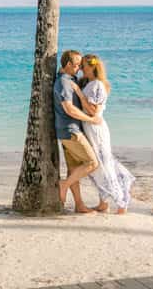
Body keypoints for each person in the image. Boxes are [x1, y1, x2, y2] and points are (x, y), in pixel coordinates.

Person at [74, 54, 135, 213]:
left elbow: (94, 111)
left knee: (103, 163)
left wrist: (80, 96)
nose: (81, 68)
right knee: (99, 164)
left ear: (92, 67)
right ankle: (103, 203)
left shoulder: (97, 85)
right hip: (90, 127)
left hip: (96, 129)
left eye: (84, 66)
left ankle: (121, 203)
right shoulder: (90, 83)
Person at [53, 49, 101, 214]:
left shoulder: (68, 78)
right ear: (67, 65)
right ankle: (64, 185)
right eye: (76, 65)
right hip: (71, 131)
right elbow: (69, 109)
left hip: (66, 131)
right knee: (92, 163)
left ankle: (79, 205)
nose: (79, 68)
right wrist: (91, 120)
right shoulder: (65, 82)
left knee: (73, 170)